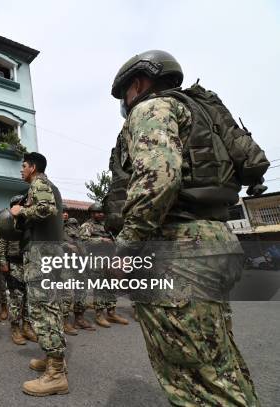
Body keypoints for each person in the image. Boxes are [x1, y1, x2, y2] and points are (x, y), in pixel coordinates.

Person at [108, 49, 260, 406]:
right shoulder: (198, 112)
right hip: (215, 239)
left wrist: (127, 246)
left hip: (179, 248)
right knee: (217, 365)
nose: (125, 104)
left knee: (193, 378)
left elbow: (159, 178)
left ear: (139, 83)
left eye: (125, 94)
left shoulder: (152, 108)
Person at [10, 152, 68, 396]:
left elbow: (45, 210)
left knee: (43, 309)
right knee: (48, 306)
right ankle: (53, 359)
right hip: (45, 251)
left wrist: (19, 212)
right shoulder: (45, 185)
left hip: (42, 253)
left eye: (23, 166)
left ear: (32, 167)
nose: (21, 170)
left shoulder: (40, 184)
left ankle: (56, 374)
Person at [76, 202, 128, 327]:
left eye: (102, 212)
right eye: (98, 212)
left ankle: (111, 312)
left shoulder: (105, 227)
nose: (101, 214)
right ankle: (99, 315)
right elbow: (81, 242)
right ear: (92, 213)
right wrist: (101, 240)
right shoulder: (87, 226)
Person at [0, 196, 37, 346]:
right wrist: (2, 263)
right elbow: (0, 244)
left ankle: (27, 326)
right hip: (14, 264)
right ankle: (15, 328)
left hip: (29, 263)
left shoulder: (28, 221)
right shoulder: (7, 220)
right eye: (21, 204)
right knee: (16, 298)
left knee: (29, 298)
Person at [60, 208, 79, 335]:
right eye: (62, 211)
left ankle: (64, 320)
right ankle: (62, 321)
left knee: (67, 293)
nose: (65, 213)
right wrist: (67, 246)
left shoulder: (70, 228)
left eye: (66, 211)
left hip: (70, 263)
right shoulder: (51, 226)